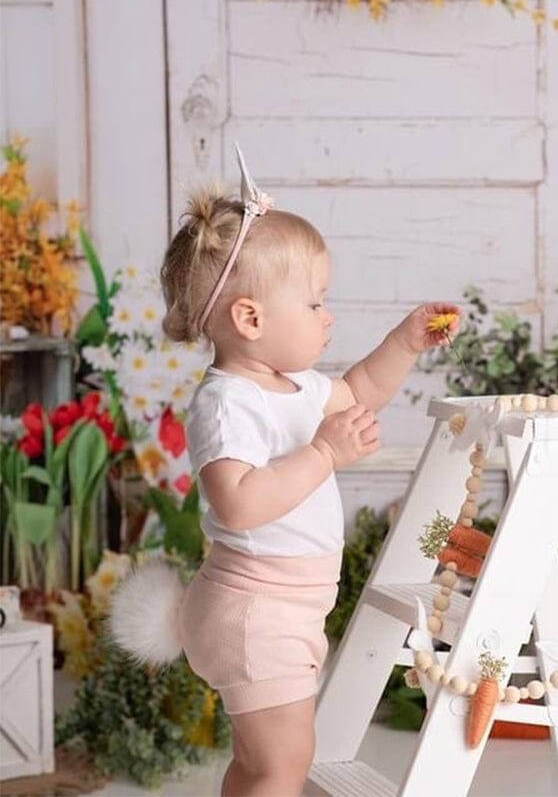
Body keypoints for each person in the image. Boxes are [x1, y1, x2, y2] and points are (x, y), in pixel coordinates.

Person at [157, 146, 459, 797]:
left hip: (283, 610)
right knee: (284, 764)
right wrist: (323, 455)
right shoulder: (228, 401)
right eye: (316, 303)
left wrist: (404, 343)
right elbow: (235, 503)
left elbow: (359, 389)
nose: (329, 317)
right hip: (253, 610)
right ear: (251, 319)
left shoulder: (291, 384)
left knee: (260, 763)